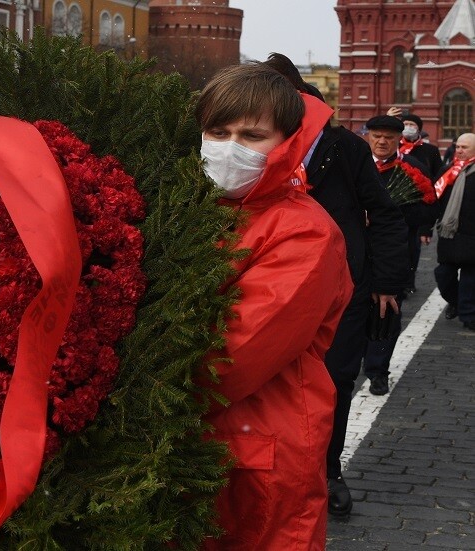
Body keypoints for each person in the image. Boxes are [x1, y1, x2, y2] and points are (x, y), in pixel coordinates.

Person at [196, 63, 352, 550]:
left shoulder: (305, 231)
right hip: (203, 444)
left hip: (262, 448)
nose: (229, 147)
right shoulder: (195, 208)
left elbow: (231, 359)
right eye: (218, 132)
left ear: (287, 141)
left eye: (252, 135)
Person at [262, 53, 408, 519]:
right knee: (271, 379)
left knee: (335, 380)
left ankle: (328, 471)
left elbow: (383, 212)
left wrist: (386, 283)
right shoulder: (255, 144)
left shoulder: (345, 147)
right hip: (273, 284)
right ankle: (272, 471)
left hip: (341, 284)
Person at [361, 115, 437, 395]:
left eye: (389, 138)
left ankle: (378, 370)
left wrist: (390, 214)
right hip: (353, 254)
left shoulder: (411, 168)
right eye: (377, 136)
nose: (382, 142)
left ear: (398, 140)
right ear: (368, 136)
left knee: (387, 311)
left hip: (394, 254)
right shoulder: (354, 165)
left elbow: (428, 209)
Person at [433, 132, 475, 329]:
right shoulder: (449, 170)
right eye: (457, 147)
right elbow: (435, 200)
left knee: (470, 278)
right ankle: (457, 304)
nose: (459, 151)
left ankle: (468, 316)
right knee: (443, 275)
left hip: (471, 236)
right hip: (449, 234)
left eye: (464, 148)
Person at [386, 107, 443, 177]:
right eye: (405, 124)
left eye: (411, 124)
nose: (408, 127)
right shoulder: (395, 146)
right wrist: (387, 119)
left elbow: (438, 173)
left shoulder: (431, 150)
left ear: (419, 129)